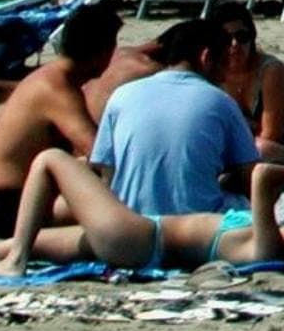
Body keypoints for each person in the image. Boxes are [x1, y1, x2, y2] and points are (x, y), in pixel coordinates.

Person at [0, 150, 284, 277]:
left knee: (50, 159)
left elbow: (262, 177)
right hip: (139, 243)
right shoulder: (274, 245)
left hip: (138, 236)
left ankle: (15, 262)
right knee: (26, 241)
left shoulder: (269, 245)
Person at [0, 5, 122, 237]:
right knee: (118, 206)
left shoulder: (52, 77)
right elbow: (98, 153)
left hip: (12, 199)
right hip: (11, 208)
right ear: (103, 51)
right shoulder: (57, 89)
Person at [90, 18, 259, 216]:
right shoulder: (220, 101)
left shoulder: (122, 94)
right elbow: (250, 175)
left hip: (132, 222)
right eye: (224, 62)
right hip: (196, 223)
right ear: (206, 57)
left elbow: (107, 172)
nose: (225, 75)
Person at [208, 3, 284, 161]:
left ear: (252, 37)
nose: (235, 44)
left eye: (242, 37)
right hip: (235, 151)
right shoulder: (212, 71)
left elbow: (272, 135)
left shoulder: (271, 72)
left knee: (261, 149)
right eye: (226, 39)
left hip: (280, 153)